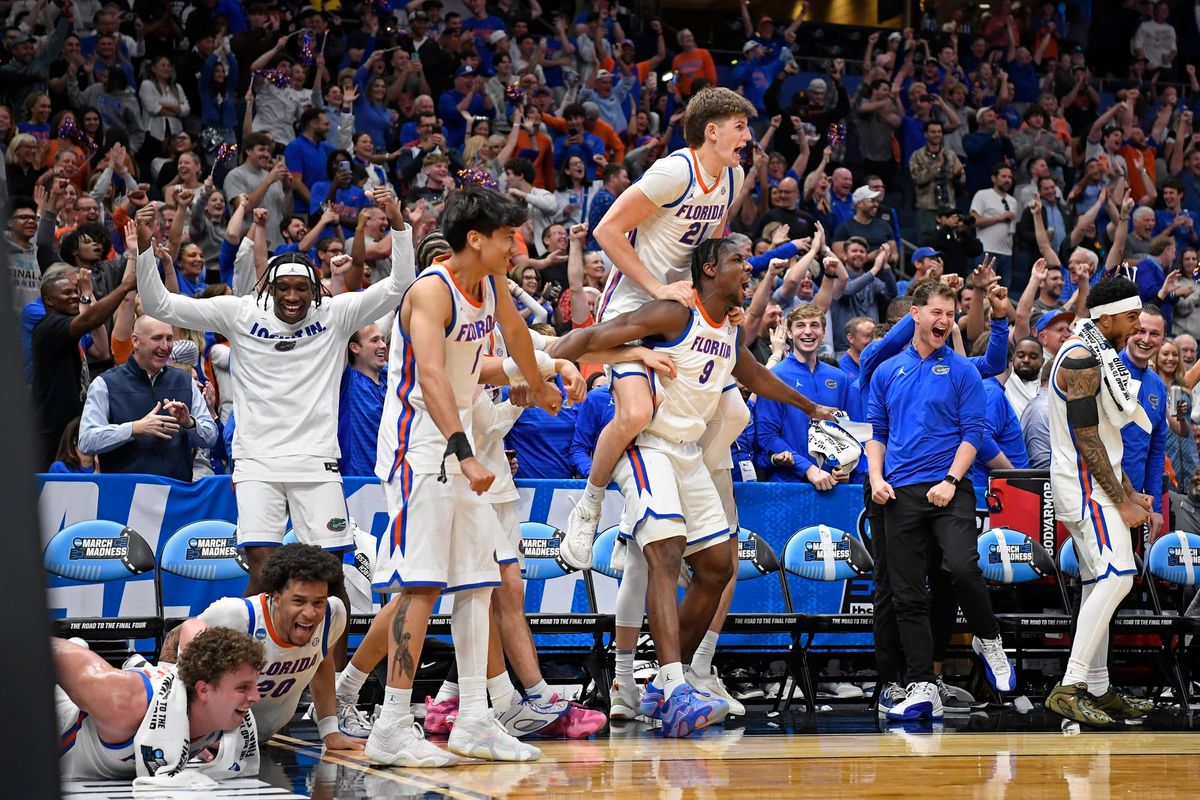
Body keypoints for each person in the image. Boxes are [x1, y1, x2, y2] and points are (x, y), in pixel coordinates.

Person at [546, 237, 838, 735]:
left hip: (689, 454)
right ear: (708, 268)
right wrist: (553, 362)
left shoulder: (727, 328)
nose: (747, 268)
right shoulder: (674, 312)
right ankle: (674, 682)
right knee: (664, 552)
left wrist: (809, 407)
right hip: (648, 447)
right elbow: (591, 336)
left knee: (719, 565)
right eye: (736, 262)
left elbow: (756, 377)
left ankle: (663, 683)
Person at [131, 187, 415, 671]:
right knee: (264, 575)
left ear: (314, 289)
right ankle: (240, 673)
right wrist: (142, 249)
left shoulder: (336, 314)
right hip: (257, 462)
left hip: (317, 463)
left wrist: (398, 224)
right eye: (282, 289)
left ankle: (330, 694)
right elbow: (161, 302)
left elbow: (398, 285)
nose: (291, 297)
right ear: (267, 288)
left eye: (300, 289)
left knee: (333, 581)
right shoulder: (239, 313)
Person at [365, 187, 560, 767]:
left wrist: (541, 382)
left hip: (458, 444)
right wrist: (464, 453)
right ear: (475, 238)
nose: (516, 246)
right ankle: (392, 723)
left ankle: (475, 717)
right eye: (508, 237)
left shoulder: (492, 286)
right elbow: (431, 377)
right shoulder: (430, 290)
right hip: (418, 447)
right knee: (421, 584)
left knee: (479, 581)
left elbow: (519, 338)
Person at [560, 87, 760, 568]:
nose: (747, 138)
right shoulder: (675, 170)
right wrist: (656, 286)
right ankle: (588, 506)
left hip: (685, 308)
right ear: (711, 132)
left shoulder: (730, 176)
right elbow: (607, 230)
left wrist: (722, 303)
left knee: (736, 415)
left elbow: (709, 252)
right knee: (634, 415)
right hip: (633, 301)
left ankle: (688, 489)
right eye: (740, 127)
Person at [866, 280, 1015, 720]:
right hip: (897, 493)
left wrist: (951, 479)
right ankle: (921, 685)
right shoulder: (886, 369)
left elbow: (973, 434)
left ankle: (989, 639)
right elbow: (877, 433)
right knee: (906, 595)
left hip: (949, 489)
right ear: (916, 314)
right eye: (937, 312)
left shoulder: (964, 370)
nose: (945, 321)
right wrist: (876, 477)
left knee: (964, 569)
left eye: (950, 315)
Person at [1044, 276, 1156, 725]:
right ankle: (1069, 686)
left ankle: (1098, 686)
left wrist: (1129, 490)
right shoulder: (1082, 358)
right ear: (1106, 317)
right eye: (1132, 318)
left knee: (1098, 585)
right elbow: (1086, 438)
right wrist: (1120, 501)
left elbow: (1106, 439)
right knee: (1118, 576)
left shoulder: (1097, 352)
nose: (1137, 327)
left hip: (1094, 482)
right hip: (1084, 486)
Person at [174, 544, 365, 748]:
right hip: (205, 741)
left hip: (259, 741)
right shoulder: (237, 615)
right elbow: (175, 636)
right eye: (299, 601)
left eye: (318, 602)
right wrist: (178, 727)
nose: (310, 613)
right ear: (277, 598)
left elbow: (323, 664)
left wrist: (330, 732)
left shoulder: (333, 613)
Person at [54, 628, 263, 780]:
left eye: (253, 686)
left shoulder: (226, 716)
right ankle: (78, 646)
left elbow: (191, 626)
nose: (256, 697)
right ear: (203, 690)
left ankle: (139, 665)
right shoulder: (121, 702)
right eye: (243, 688)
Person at [78, 315, 217, 481]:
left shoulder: (185, 381)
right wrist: (134, 429)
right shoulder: (105, 383)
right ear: (135, 341)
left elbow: (211, 437)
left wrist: (189, 423)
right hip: (126, 498)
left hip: (175, 496)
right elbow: (86, 441)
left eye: (169, 339)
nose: (165, 346)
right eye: (157, 338)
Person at [33, 262, 138, 468]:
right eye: (67, 293)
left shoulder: (66, 327)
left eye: (75, 292)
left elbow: (99, 343)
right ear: (49, 300)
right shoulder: (48, 327)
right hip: (51, 430)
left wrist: (87, 293)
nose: (74, 296)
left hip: (70, 425)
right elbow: (89, 319)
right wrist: (125, 286)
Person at [753, 303, 851, 486]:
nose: (808, 332)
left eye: (814, 325)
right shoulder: (775, 376)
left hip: (833, 484)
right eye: (800, 325)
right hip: (788, 484)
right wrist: (807, 468)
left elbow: (847, 428)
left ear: (823, 333)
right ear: (789, 333)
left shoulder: (839, 378)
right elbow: (766, 436)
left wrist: (845, 466)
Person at [1119, 307, 1169, 537]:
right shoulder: (1108, 372)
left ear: (1163, 339)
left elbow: (1156, 453)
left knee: (1129, 572)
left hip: (1138, 503)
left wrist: (1156, 507)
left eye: (1154, 334)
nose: (1146, 340)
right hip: (1101, 497)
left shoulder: (1158, 386)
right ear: (1129, 331)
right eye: (1140, 331)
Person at [338, 323, 388, 477]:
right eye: (374, 341)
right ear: (355, 348)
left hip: (393, 477)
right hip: (358, 481)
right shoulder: (347, 379)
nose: (383, 345)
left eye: (383, 339)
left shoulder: (391, 376)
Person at [1006, 337, 1045, 418]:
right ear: (1013, 358)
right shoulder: (1005, 378)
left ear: (1042, 361)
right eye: (1020, 356)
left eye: (1033, 357)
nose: (1026, 360)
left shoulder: (1047, 384)